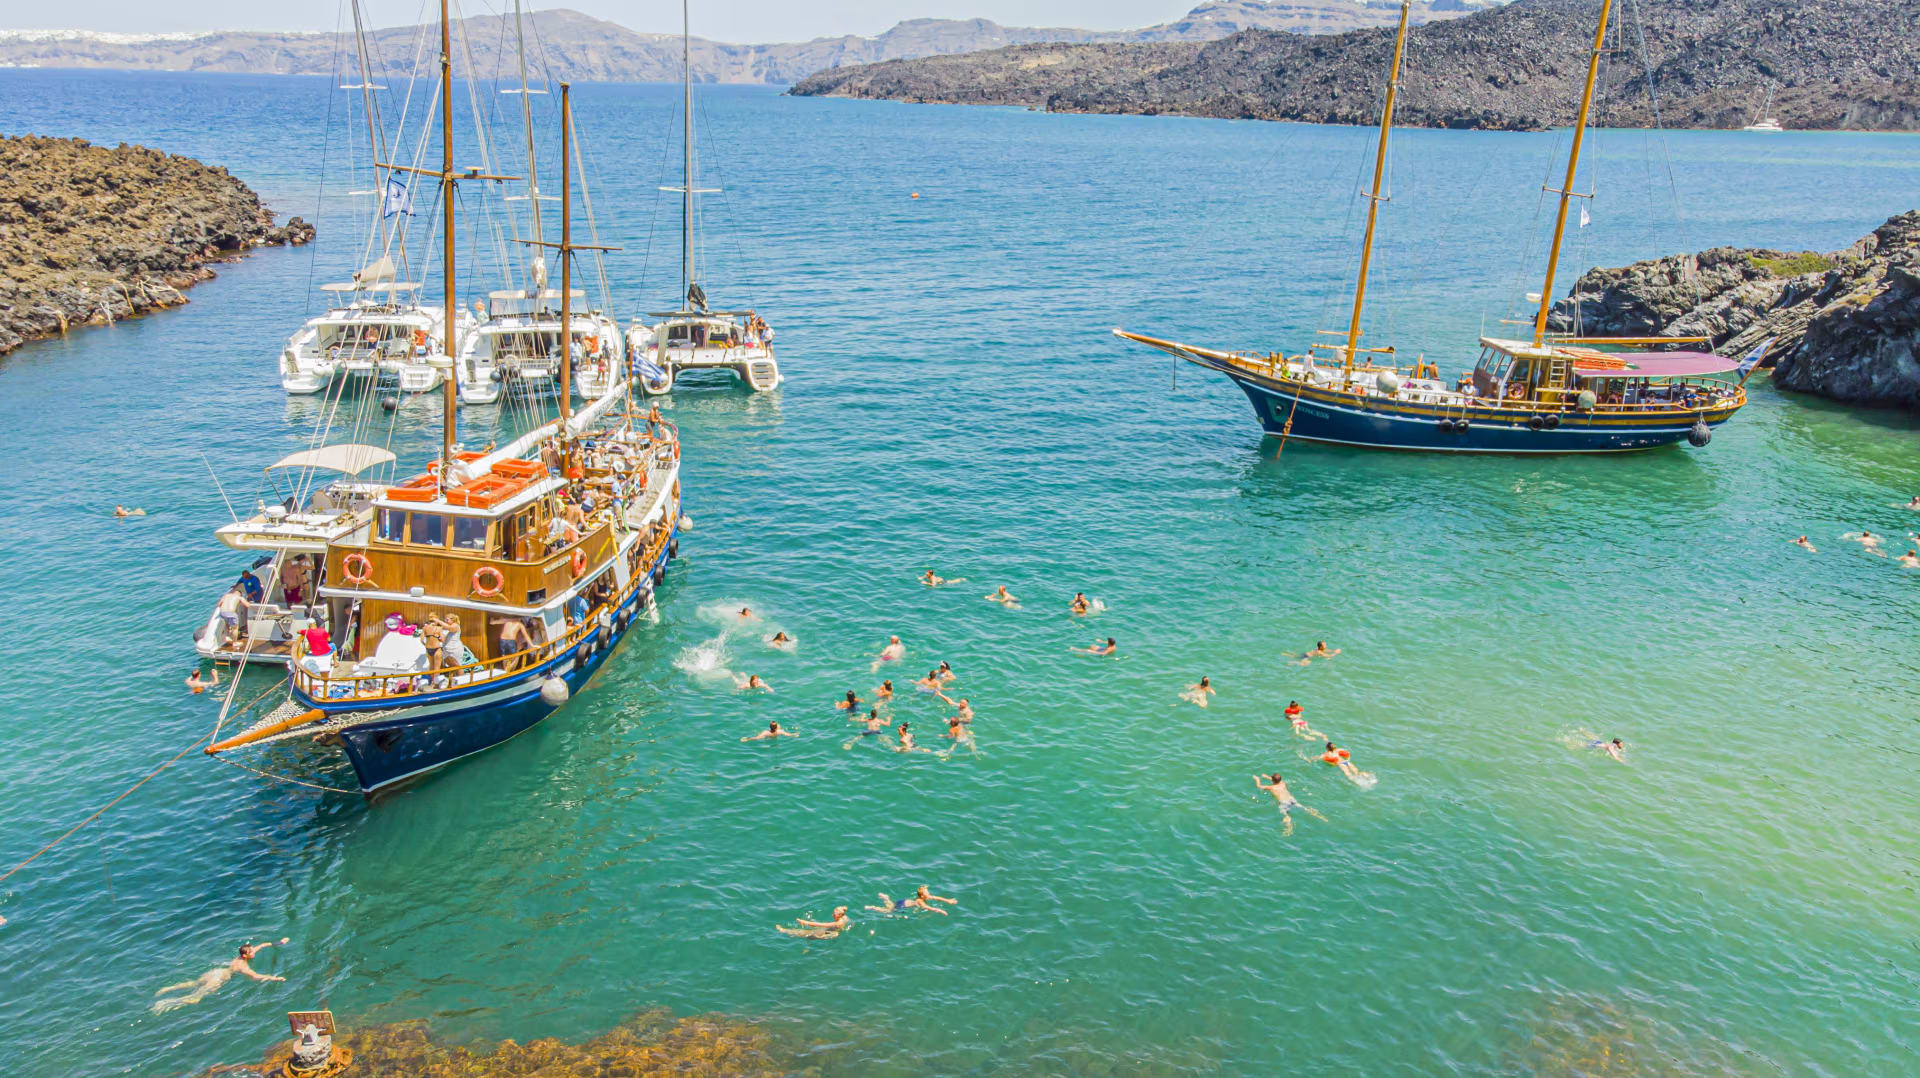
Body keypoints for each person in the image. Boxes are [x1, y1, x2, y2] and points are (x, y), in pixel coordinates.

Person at [151, 938, 289, 1014]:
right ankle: (166, 1003)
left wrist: (280, 942)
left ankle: (167, 989)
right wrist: (275, 978)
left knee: (194, 983)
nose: (254, 952)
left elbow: (263, 945)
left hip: (216, 972)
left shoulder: (241, 957)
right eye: (252, 952)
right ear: (245, 955)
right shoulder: (243, 966)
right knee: (195, 998)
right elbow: (255, 976)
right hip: (219, 979)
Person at [867, 885, 955, 915]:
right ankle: (873, 907)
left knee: (891, 905)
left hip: (904, 901)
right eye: (927, 893)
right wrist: (941, 911)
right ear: (922, 896)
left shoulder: (924, 897)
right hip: (902, 905)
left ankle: (885, 898)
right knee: (888, 911)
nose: (929, 894)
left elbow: (937, 897)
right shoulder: (920, 901)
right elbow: (929, 908)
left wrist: (948, 900)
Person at [776, 906, 851, 939]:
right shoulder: (845, 917)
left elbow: (819, 924)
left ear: (839, 916)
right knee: (812, 934)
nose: (832, 915)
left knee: (806, 934)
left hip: (831, 933)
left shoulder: (837, 923)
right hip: (835, 932)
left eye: (834, 914)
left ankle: (783, 930)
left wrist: (804, 922)